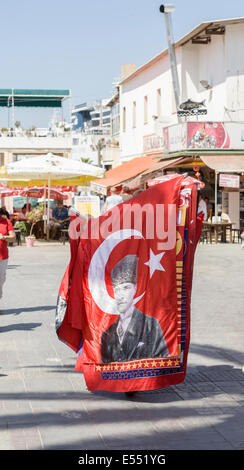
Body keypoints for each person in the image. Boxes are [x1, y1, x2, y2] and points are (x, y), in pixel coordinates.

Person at [101, 255, 169, 364]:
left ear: (135, 288)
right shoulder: (107, 334)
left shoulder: (151, 325)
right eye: (116, 289)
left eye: (126, 287)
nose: (120, 295)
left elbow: (163, 362)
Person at [0, 208, 15, 301]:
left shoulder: (6, 222)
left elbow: (13, 237)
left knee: (1, 279)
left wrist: (4, 237)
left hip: (2, 257)